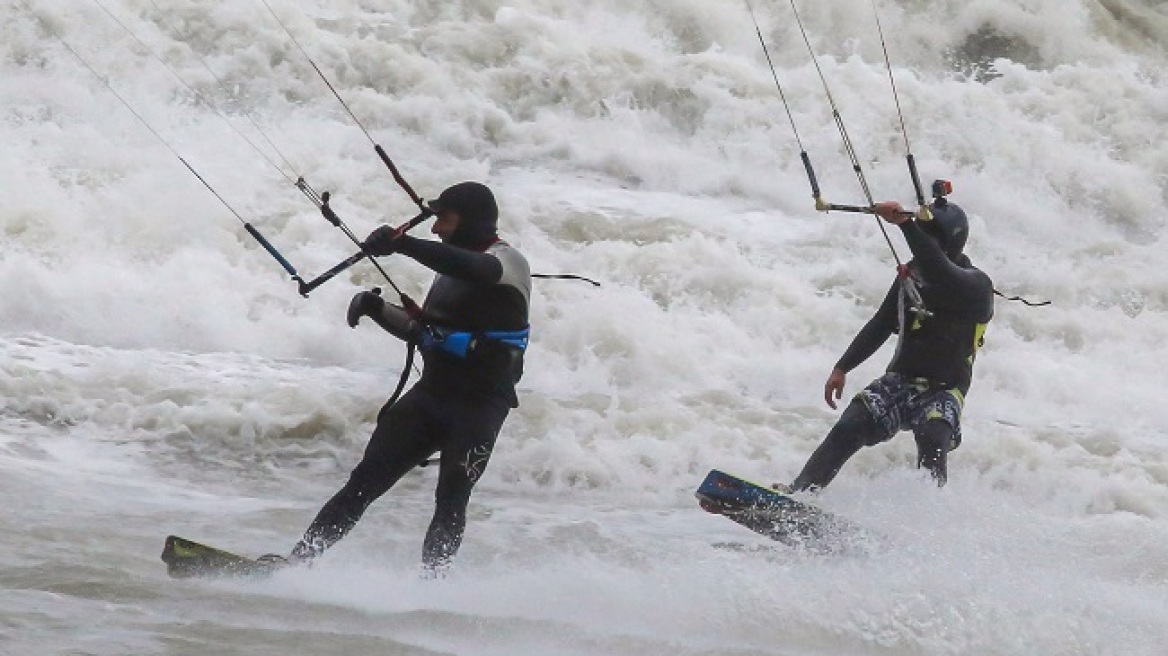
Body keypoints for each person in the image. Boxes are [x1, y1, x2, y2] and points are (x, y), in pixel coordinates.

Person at [268, 181, 531, 575]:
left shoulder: (507, 263)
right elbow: (425, 331)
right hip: (431, 396)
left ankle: (432, 583)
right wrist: (377, 308)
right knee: (363, 482)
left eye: (445, 219)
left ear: (472, 221)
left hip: (478, 409)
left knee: (451, 498)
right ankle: (296, 562)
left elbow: (476, 269)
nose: (437, 229)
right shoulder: (447, 272)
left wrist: (403, 244)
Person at [788, 194, 993, 491]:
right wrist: (842, 367)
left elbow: (941, 271)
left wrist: (905, 224)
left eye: (927, 239)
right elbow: (882, 324)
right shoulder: (912, 276)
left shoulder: (976, 286)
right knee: (851, 424)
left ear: (949, 244)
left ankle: (930, 511)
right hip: (901, 381)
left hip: (944, 389)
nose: (921, 246)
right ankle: (801, 493)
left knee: (933, 436)